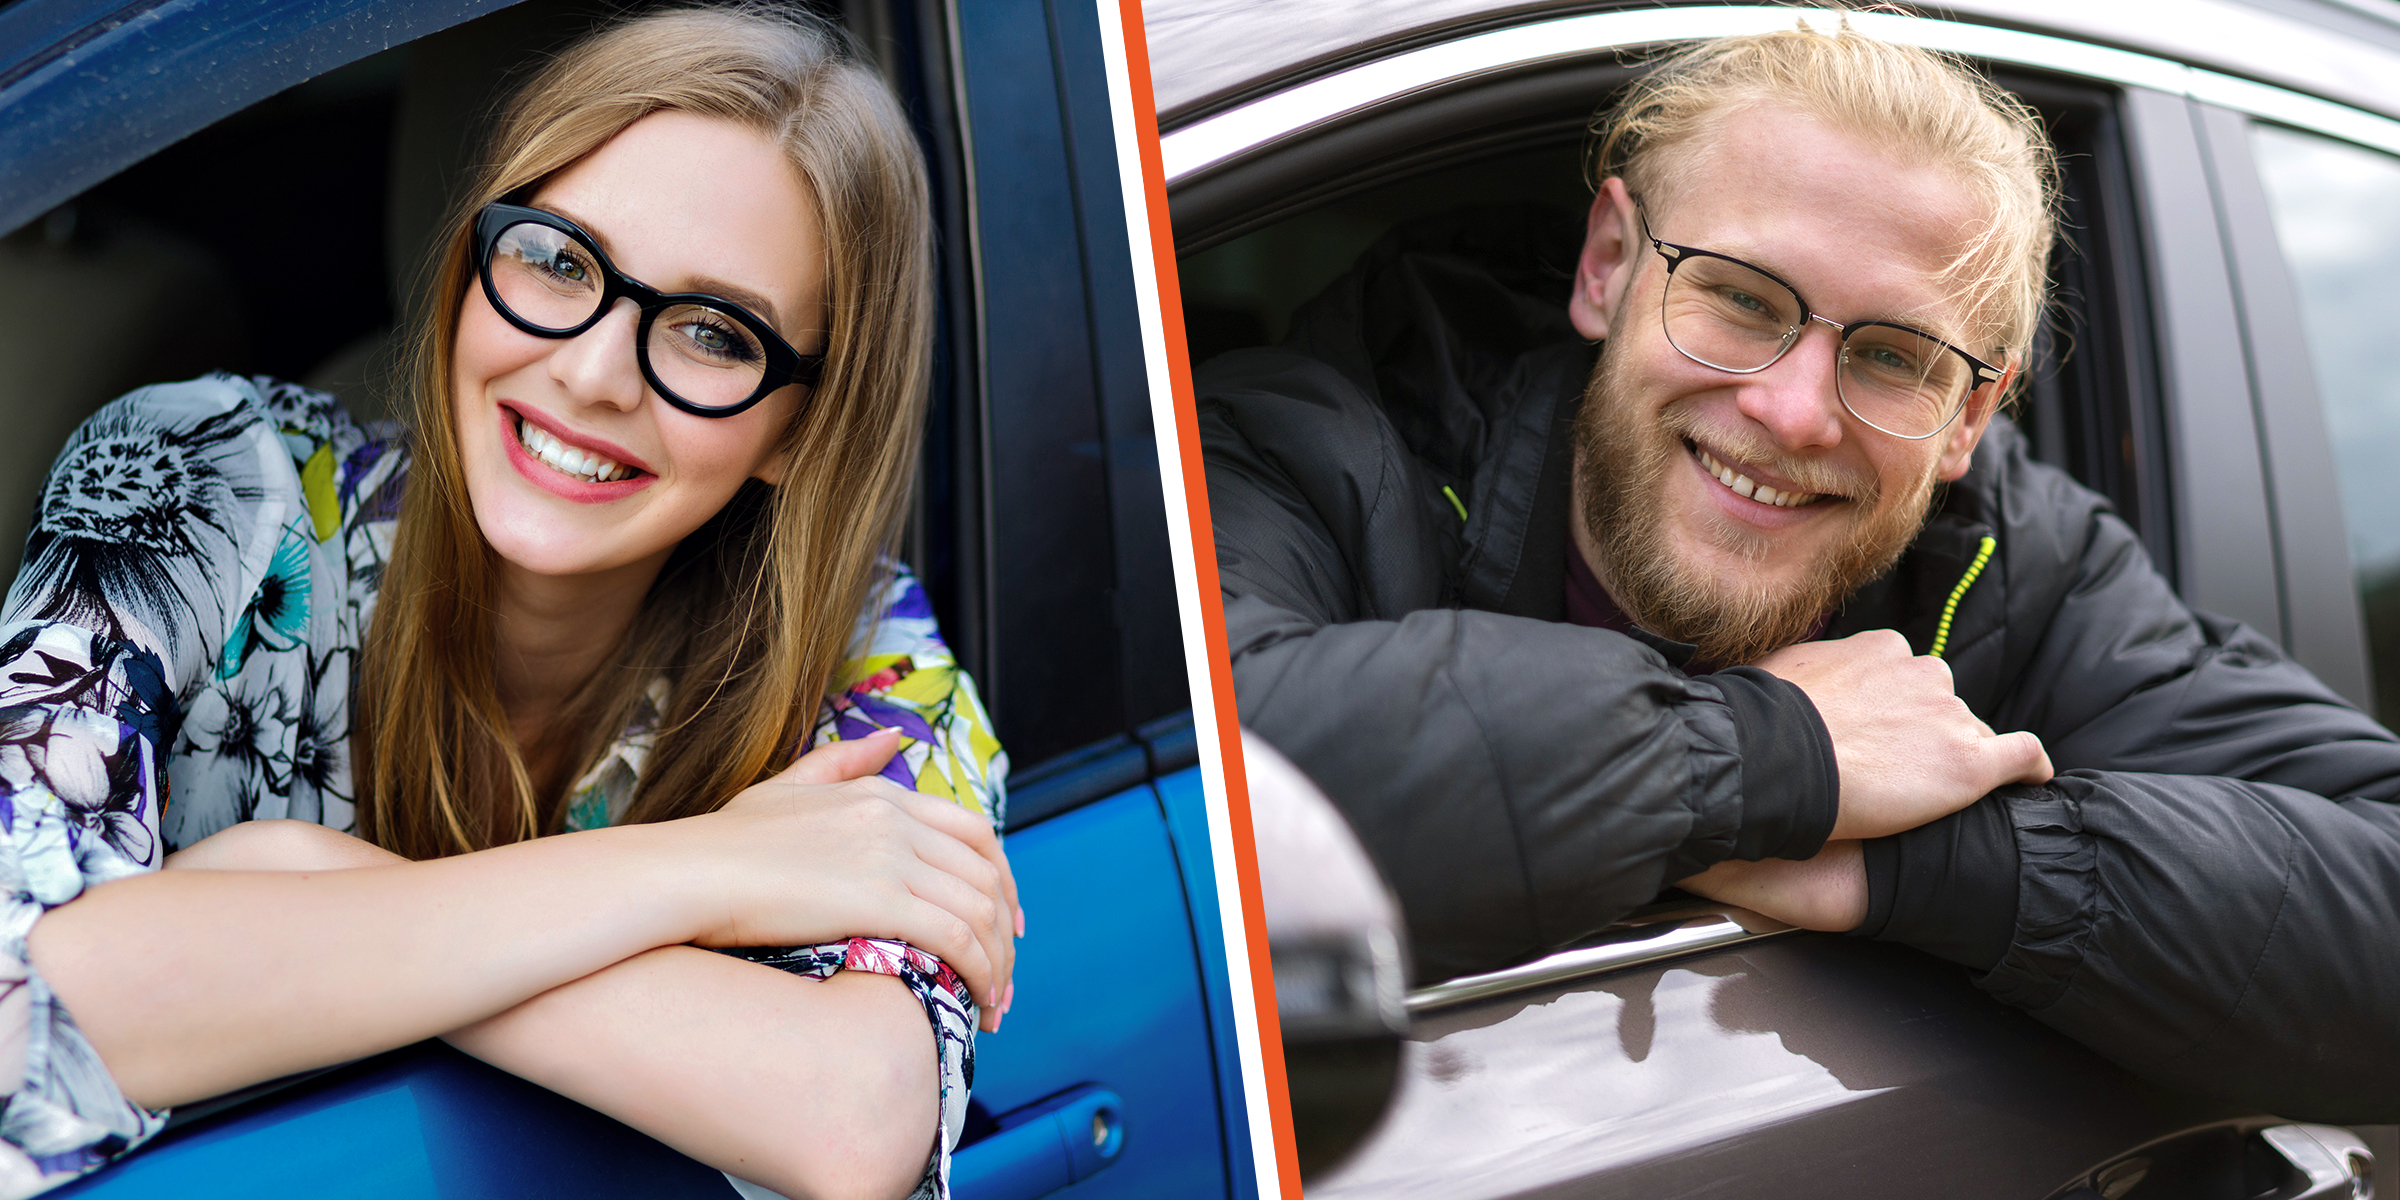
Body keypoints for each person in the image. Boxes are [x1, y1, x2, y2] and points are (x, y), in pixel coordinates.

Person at [1200, 20, 2400, 1120]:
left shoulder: (2020, 567)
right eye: (1737, 297)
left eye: (1892, 357)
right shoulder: (1306, 450)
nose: (1791, 411)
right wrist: (1776, 760)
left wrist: (1925, 862)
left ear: (1970, 418)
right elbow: (1202, 801)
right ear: (1609, 264)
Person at [0, 7, 1016, 1199]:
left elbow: (854, 1121)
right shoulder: (199, 479)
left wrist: (298, 879)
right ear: (476, 262)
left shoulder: (869, 666)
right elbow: (28, 1000)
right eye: (557, 259)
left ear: (801, 427)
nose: (588, 372)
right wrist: (702, 871)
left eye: (709, 331)